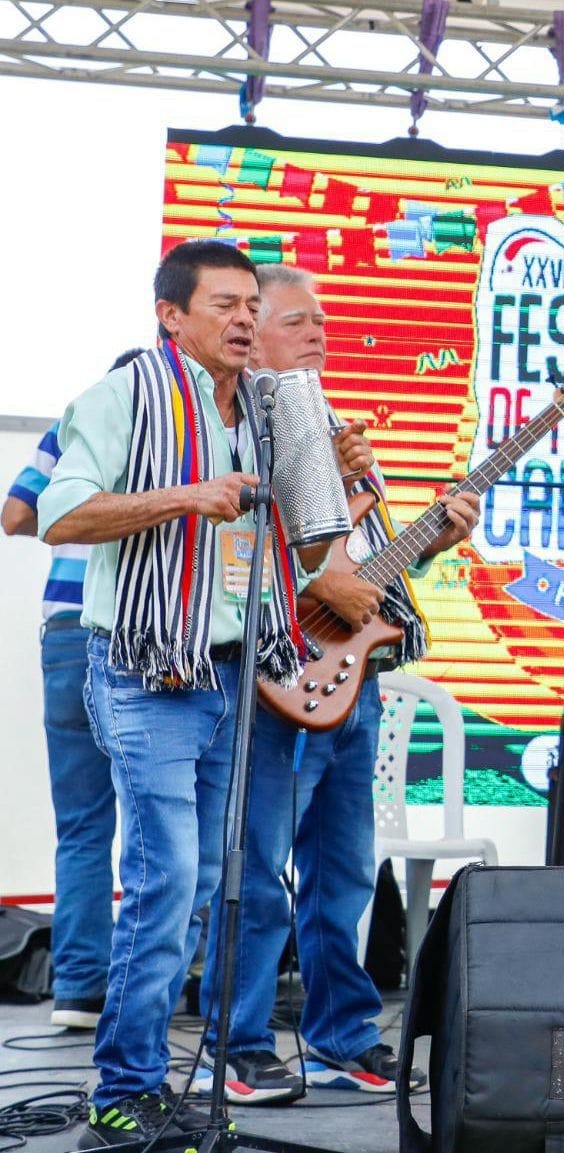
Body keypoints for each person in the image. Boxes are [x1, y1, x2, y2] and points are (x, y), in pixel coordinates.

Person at [38, 240, 327, 1148]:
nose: (244, 319)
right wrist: (182, 495)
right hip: (146, 670)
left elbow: (314, 544)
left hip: (233, 672)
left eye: (252, 305)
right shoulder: (126, 393)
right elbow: (57, 514)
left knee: (202, 882)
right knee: (164, 883)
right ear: (171, 315)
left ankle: (159, 1087)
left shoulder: (267, 415)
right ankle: (122, 1091)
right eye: (223, 305)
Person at [192, 265, 479, 1104]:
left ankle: (342, 1035)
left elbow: (359, 567)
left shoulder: (331, 428)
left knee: (345, 875)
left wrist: (432, 539)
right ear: (250, 335)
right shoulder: (238, 426)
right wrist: (316, 587)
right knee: (258, 873)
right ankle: (240, 1044)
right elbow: (245, 554)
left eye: (320, 319)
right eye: (295, 319)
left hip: (355, 681)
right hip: (277, 679)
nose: (317, 331)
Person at [1, 353, 141, 1031]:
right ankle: (156, 985)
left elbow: (15, 513)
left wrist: (76, 518)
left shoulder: (70, 425)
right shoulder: (172, 430)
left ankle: (79, 991)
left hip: (63, 629)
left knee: (83, 825)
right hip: (138, 634)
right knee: (163, 823)